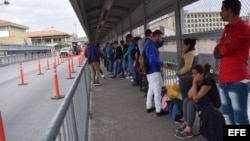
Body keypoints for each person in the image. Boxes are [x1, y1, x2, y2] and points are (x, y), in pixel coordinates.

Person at [213, 0, 250, 125]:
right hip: (224, 81)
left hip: (237, 82)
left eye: (222, 9)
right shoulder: (228, 29)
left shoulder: (243, 27)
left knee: (240, 120)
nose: (220, 12)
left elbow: (224, 49)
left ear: (229, 10)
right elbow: (216, 53)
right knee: (228, 117)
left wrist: (221, 48)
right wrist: (221, 48)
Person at [175, 64, 219, 139]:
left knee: (191, 104)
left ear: (202, 74)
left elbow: (195, 98)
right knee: (186, 100)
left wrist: (194, 82)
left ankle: (189, 131)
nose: (193, 75)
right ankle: (186, 123)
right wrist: (194, 83)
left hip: (212, 106)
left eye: (195, 73)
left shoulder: (208, 81)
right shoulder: (197, 81)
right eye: (192, 73)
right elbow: (189, 95)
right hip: (204, 102)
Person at [145, 30, 168, 116]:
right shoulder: (151, 46)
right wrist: (162, 63)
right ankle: (159, 110)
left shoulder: (151, 44)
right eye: (160, 37)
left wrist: (163, 40)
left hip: (150, 72)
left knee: (151, 89)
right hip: (154, 71)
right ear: (156, 36)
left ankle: (149, 106)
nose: (161, 39)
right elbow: (152, 59)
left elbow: (159, 44)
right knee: (157, 91)